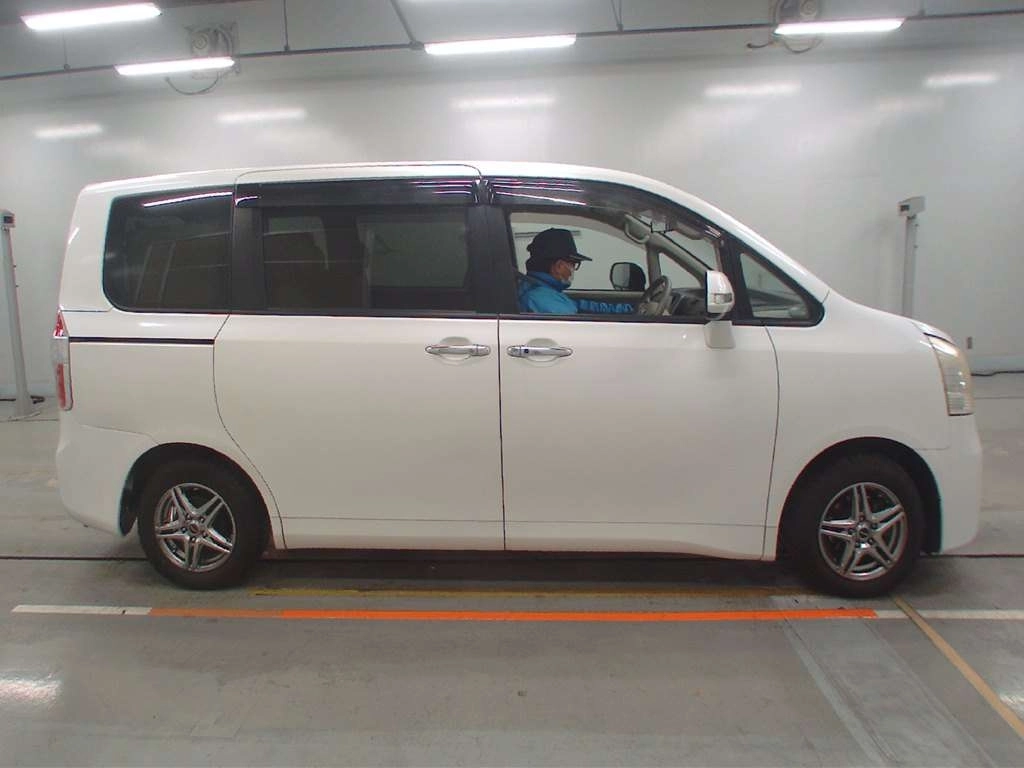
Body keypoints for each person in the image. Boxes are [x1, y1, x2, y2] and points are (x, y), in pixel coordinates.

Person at [517, 228, 634, 315]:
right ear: (559, 266)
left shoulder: (546, 291)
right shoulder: (543, 299)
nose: (573, 270)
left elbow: (580, 305)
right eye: (573, 265)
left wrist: (629, 309)